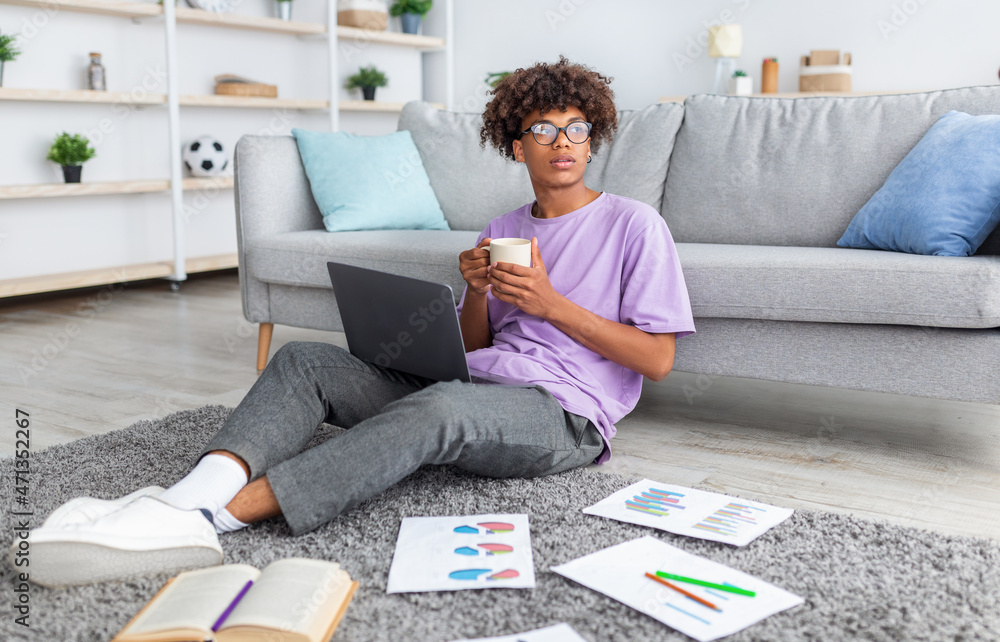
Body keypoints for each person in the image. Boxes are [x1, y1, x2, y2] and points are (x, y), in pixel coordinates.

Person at [13, 57, 695, 588]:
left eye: (576, 127)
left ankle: (216, 519)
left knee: (440, 410)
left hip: (564, 416)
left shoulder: (635, 224)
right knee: (306, 361)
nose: (562, 142)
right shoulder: (504, 229)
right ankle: (183, 497)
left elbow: (657, 360)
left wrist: (550, 304)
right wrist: (478, 290)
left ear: (593, 135)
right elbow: (473, 348)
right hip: (477, 384)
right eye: (542, 129)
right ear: (517, 147)